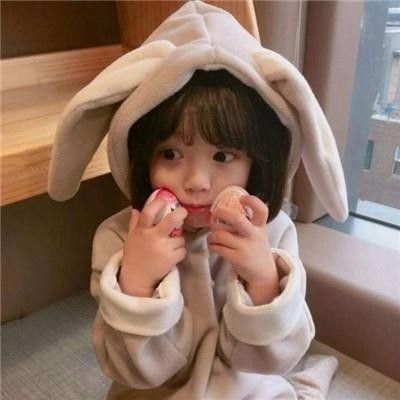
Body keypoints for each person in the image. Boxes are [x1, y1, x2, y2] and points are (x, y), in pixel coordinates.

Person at [48, 2, 348, 399]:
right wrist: (136, 284)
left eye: (223, 156)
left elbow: (276, 359)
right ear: (141, 156)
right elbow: (128, 370)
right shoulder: (118, 237)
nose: (197, 183)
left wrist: (263, 281)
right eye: (171, 154)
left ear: (256, 163)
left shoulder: (273, 233)